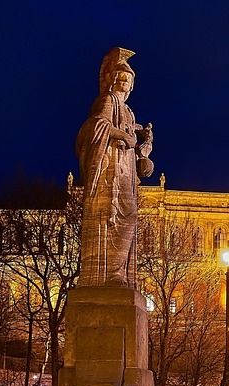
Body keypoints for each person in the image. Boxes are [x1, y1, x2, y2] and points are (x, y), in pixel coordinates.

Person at [76, 47, 153, 287]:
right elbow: (96, 125)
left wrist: (143, 143)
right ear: (113, 80)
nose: (125, 82)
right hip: (110, 169)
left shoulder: (128, 111)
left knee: (128, 219)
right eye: (121, 78)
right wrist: (123, 135)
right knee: (114, 218)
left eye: (128, 80)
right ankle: (111, 274)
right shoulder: (108, 100)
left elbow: (129, 134)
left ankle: (118, 272)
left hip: (126, 170)